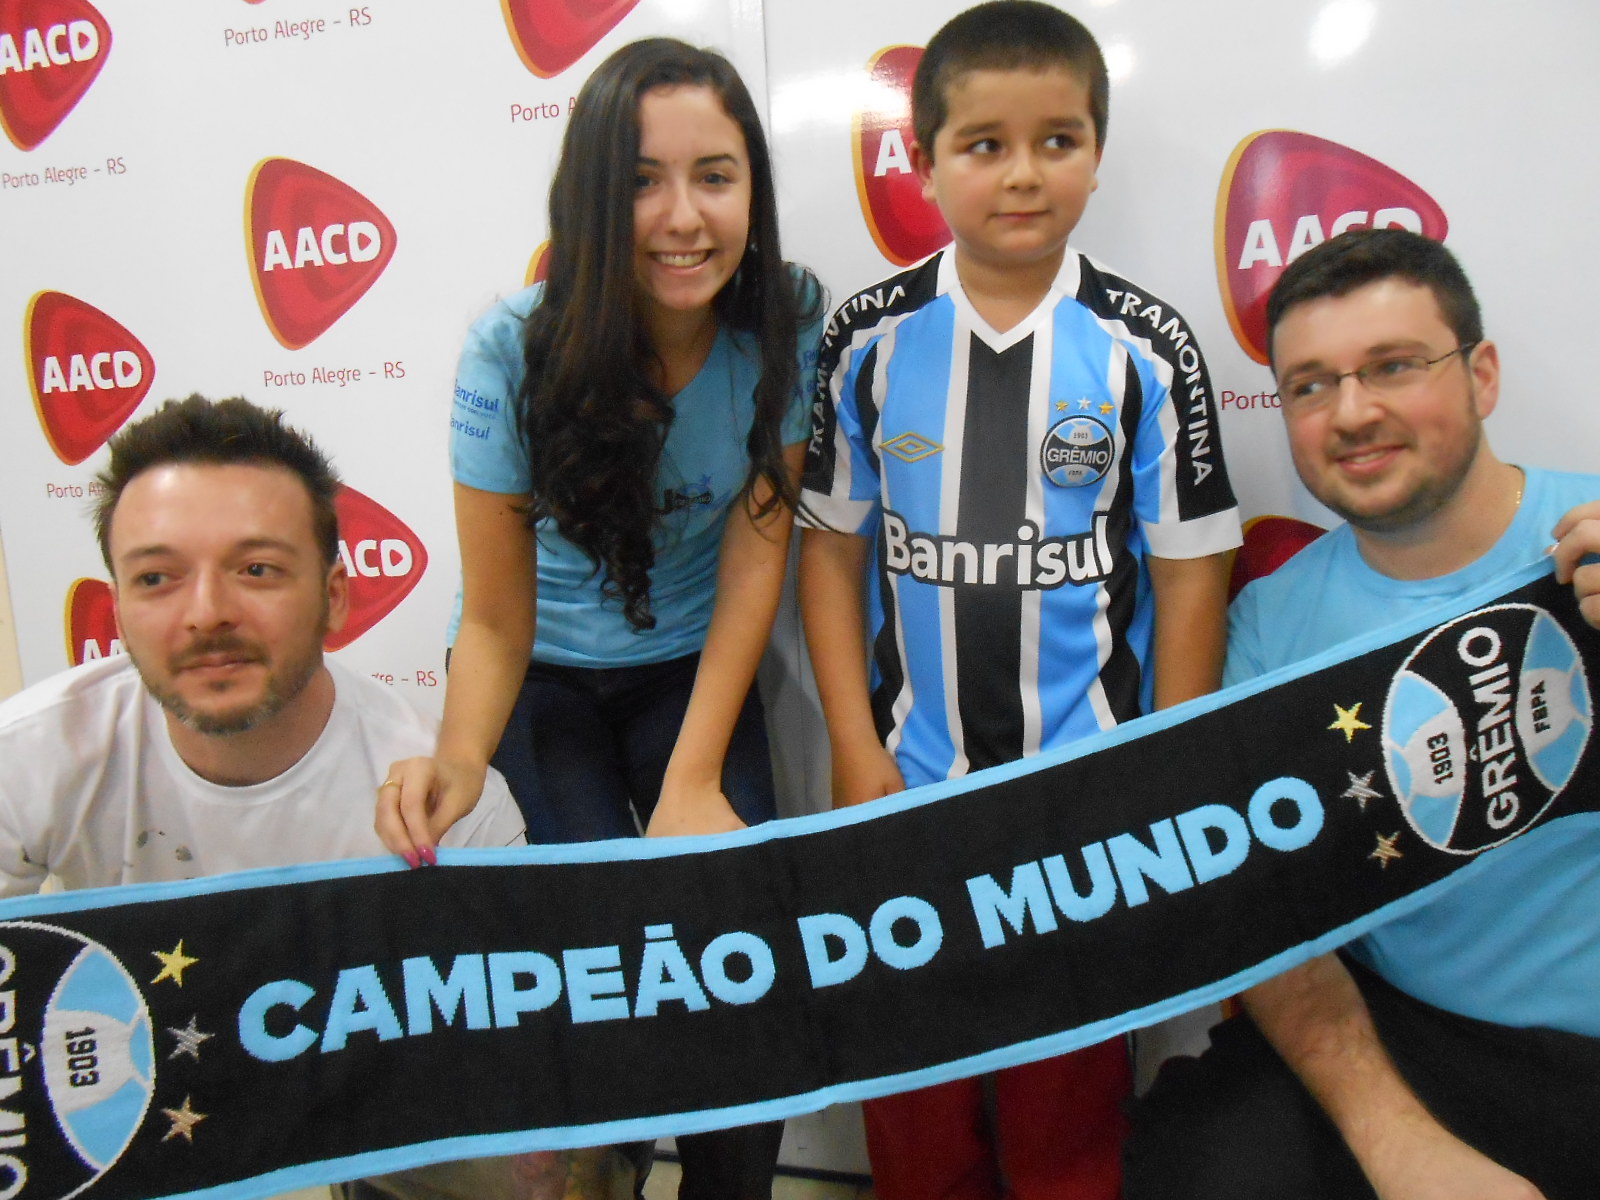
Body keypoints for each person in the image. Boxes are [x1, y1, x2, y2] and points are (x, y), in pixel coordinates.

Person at [796, 4, 1241, 1197]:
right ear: (927, 161)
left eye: (1058, 139)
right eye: (983, 143)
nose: (1022, 172)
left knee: (1067, 1111)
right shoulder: (868, 337)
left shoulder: (1145, 345)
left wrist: (1162, 769)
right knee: (918, 1102)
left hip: (1081, 796)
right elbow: (829, 550)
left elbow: (1194, 573)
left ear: (1097, 149)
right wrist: (850, 739)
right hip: (909, 788)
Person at [375, 37, 824, 1200]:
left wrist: (692, 782)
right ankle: (602, 1175)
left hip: (695, 666)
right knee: (613, 960)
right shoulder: (511, 351)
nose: (682, 217)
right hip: (549, 680)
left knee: (745, 962)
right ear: (588, 193)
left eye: (715, 176)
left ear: (752, 192)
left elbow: (753, 562)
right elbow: (493, 623)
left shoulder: (787, 318)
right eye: (639, 180)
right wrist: (460, 762)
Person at [0, 395, 624, 1199]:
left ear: (335, 597)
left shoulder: (448, 801)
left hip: (390, 1111)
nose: (207, 615)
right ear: (116, 607)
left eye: (256, 570)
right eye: (157, 578)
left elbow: (533, 1073)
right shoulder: (35, 754)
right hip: (139, 1109)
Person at [1123, 229, 1600, 1200]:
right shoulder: (1264, 625)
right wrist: (1400, 1149)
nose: (1351, 412)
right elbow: (1261, 918)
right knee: (1194, 1158)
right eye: (1309, 384)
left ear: (1483, 374)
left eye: (1392, 367)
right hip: (1405, 1037)